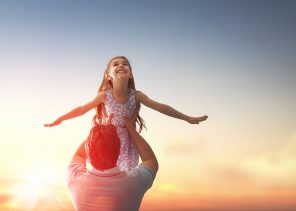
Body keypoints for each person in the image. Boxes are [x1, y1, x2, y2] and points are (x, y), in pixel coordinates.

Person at [45, 56, 208, 170]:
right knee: (106, 175)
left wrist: (187, 118)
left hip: (128, 144)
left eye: (125, 64)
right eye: (115, 64)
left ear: (130, 74)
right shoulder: (104, 96)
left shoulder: (136, 96)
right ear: (108, 76)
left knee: (124, 179)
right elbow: (81, 109)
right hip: (109, 141)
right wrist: (60, 119)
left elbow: (161, 107)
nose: (121, 65)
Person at [67, 113, 158, 211]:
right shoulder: (135, 182)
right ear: (119, 150)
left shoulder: (75, 180)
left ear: (88, 150)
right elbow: (150, 160)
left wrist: (99, 132)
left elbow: (79, 155)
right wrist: (130, 129)